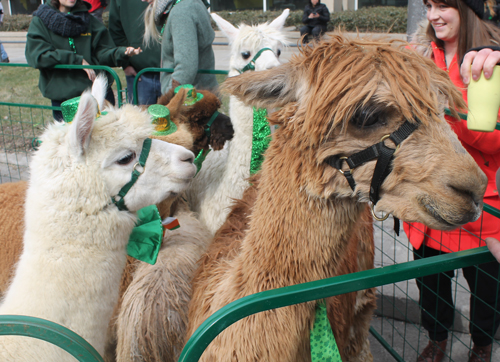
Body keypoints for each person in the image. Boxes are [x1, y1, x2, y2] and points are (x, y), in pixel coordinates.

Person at [404, 1, 500, 361]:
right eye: (428, 5)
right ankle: (437, 340)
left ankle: (482, 345)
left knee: (487, 293)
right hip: (428, 200)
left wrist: (448, 116)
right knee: (430, 287)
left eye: (444, 5)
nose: (433, 15)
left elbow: (494, 141)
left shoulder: (491, 59)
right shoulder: (419, 57)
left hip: (480, 204)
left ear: (467, 8)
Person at [25, 0, 142, 122]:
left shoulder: (88, 19)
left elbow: (101, 52)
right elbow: (37, 56)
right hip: (65, 100)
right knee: (71, 141)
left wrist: (121, 53)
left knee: (107, 137)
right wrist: (76, 60)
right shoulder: (41, 21)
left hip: (98, 95)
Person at [143, 0, 218, 94]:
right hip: (197, 98)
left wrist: (168, 99)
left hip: (191, 102)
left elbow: (186, 68)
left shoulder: (182, 12)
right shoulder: (188, 5)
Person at [108, 0, 162, 105]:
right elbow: (115, 29)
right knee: (140, 119)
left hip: (172, 71)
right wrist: (125, 64)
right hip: (139, 74)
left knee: (176, 118)